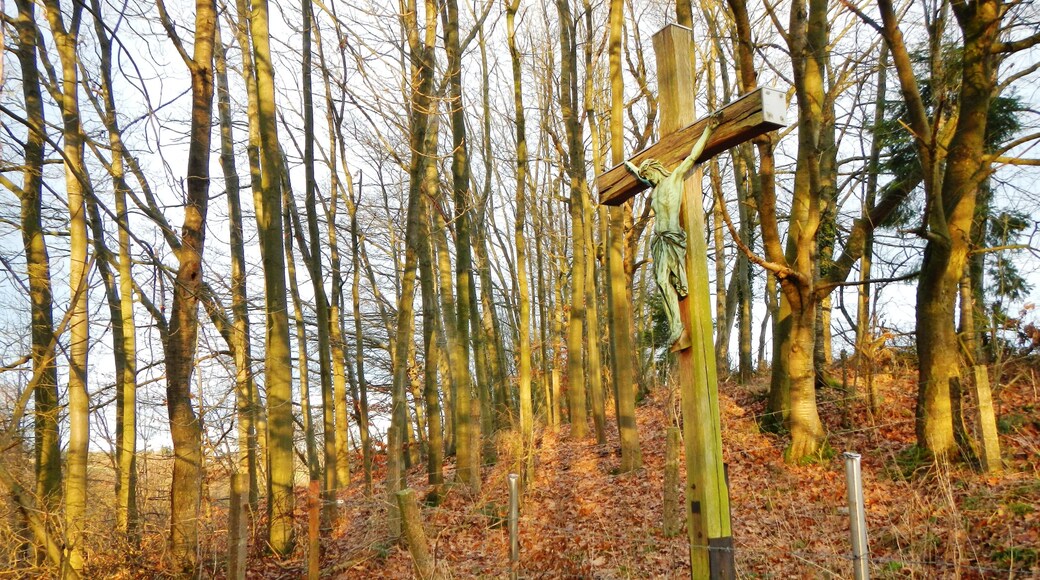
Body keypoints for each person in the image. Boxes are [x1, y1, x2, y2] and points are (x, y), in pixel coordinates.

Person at [624, 113, 720, 347]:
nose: (648, 179)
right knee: (659, 279)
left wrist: (709, 130)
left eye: (649, 175)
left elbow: (693, 156)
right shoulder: (654, 190)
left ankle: (679, 327)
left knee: (667, 279)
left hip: (673, 237)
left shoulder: (674, 178)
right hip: (659, 241)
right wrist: (631, 169)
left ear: (655, 170)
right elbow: (640, 177)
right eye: (645, 177)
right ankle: (677, 326)